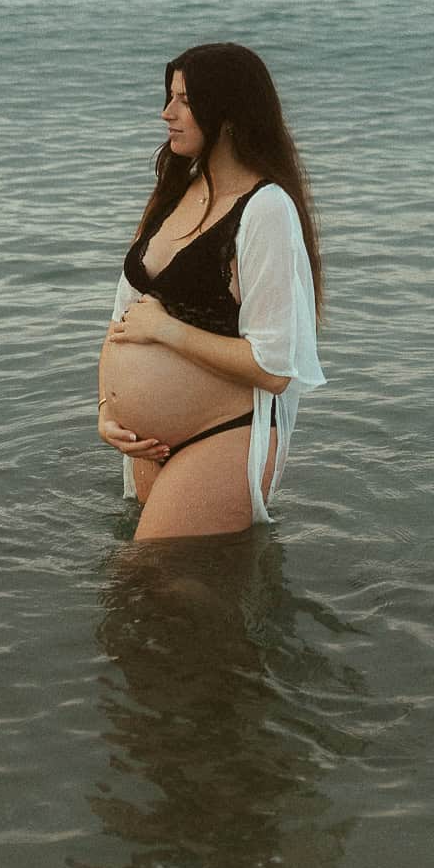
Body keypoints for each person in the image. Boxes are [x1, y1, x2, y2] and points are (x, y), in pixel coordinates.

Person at [98, 43, 325, 540]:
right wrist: (106, 411)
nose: (167, 113)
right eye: (169, 97)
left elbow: (274, 368)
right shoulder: (174, 190)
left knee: (147, 574)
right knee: (160, 585)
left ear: (225, 115)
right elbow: (123, 320)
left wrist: (167, 331)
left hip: (224, 433)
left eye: (184, 100)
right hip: (147, 441)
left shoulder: (265, 209)